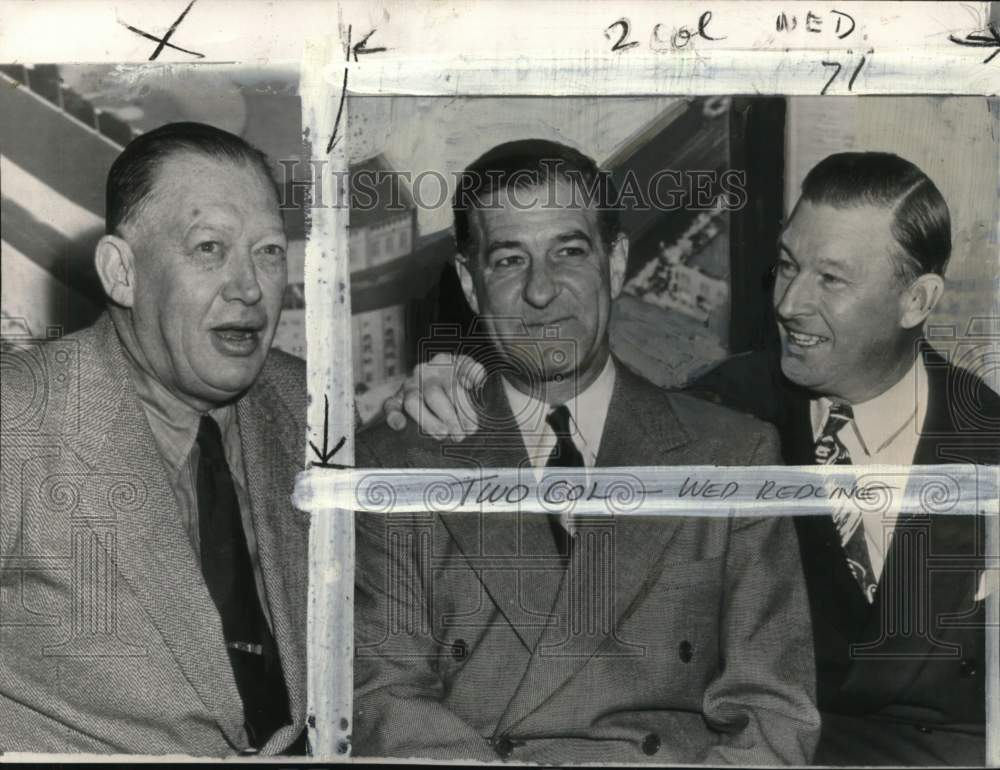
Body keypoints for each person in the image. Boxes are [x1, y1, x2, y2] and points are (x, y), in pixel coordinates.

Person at [386, 151, 998, 765]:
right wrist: (460, 375)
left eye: (831, 279)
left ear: (917, 300)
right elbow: (584, 410)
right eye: (786, 265)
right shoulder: (726, 411)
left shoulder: (989, 443)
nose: (788, 304)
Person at [354, 139, 820, 764]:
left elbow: (773, 714)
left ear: (617, 262)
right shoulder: (397, 463)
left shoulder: (732, 456)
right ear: (470, 283)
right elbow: (384, 700)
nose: (542, 292)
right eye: (509, 260)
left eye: (569, 252)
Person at [0, 122, 309, 756]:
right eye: (209, 248)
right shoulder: (18, 421)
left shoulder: (305, 402)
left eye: (269, 251)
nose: (249, 288)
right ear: (121, 272)